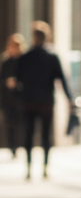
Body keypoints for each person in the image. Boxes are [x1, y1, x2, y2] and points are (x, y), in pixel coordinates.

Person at [14, 22, 72, 180]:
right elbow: (62, 80)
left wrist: (19, 97)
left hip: (29, 101)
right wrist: (69, 99)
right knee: (46, 135)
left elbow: (17, 80)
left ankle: (28, 168)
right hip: (46, 102)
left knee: (29, 134)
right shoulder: (52, 57)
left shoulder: (25, 57)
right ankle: (45, 168)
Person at [2, 33, 25, 158]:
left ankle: (19, 145)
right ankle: (12, 147)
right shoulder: (6, 63)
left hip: (21, 98)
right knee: (9, 124)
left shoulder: (24, 61)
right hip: (8, 99)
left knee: (20, 124)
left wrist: (18, 83)